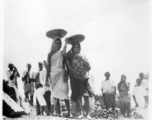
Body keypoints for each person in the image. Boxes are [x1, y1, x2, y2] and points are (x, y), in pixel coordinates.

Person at [65, 37, 93, 118]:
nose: (76, 48)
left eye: (78, 47)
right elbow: (68, 65)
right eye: (75, 47)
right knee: (77, 96)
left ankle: (87, 114)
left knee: (86, 95)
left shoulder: (83, 55)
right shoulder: (70, 55)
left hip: (84, 78)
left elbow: (89, 66)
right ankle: (79, 113)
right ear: (72, 48)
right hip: (75, 77)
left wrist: (83, 61)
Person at [46, 29, 70, 117]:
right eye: (56, 42)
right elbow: (48, 66)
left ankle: (69, 113)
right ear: (53, 43)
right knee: (55, 93)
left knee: (65, 93)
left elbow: (64, 61)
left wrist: (66, 44)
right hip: (53, 75)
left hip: (61, 73)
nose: (58, 44)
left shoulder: (61, 53)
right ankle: (58, 112)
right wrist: (46, 78)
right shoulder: (50, 54)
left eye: (59, 43)